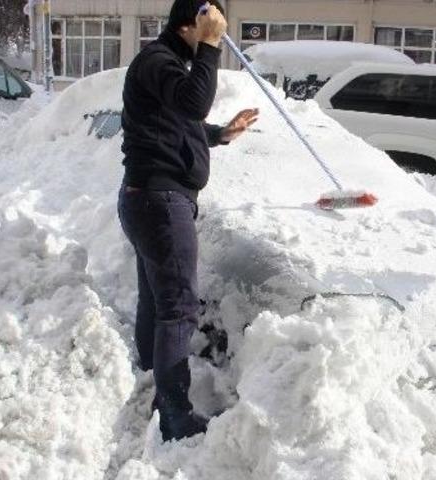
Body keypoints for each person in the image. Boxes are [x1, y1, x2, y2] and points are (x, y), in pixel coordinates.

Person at [117, 0, 259, 442]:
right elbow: (193, 103)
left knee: (157, 301)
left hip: (147, 199)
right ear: (192, 23)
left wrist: (221, 134)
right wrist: (212, 44)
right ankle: (176, 415)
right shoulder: (160, 60)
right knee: (178, 309)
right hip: (161, 202)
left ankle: (149, 373)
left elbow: (179, 122)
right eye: (209, 24)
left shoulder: (164, 65)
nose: (215, 31)